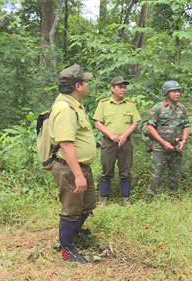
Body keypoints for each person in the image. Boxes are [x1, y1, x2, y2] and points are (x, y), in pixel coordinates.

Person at [49, 64, 95, 264]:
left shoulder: (75, 104)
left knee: (87, 204)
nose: (87, 83)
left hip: (81, 167)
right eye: (85, 81)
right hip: (70, 169)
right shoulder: (65, 108)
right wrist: (78, 175)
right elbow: (66, 145)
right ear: (78, 85)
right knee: (71, 209)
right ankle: (66, 250)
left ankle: (73, 236)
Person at [93, 76, 141, 206]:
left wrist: (125, 135)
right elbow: (97, 123)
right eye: (120, 87)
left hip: (126, 142)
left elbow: (135, 122)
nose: (123, 90)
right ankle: (104, 199)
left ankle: (125, 199)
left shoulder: (130, 104)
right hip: (109, 142)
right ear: (112, 88)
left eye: (124, 87)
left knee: (125, 170)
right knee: (106, 170)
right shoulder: (104, 104)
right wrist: (111, 135)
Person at [146, 81, 189, 196]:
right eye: (174, 91)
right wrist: (163, 143)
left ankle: (173, 196)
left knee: (175, 175)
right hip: (160, 148)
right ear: (167, 93)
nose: (177, 94)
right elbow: (150, 127)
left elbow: (185, 126)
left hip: (176, 148)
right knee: (156, 174)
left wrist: (183, 141)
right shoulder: (158, 108)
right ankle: (152, 196)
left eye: (178, 91)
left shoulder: (182, 109)